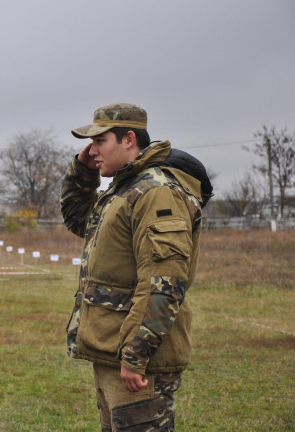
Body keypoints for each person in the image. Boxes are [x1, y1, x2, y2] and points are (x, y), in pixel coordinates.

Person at [60, 103, 213, 431]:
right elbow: (78, 220)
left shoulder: (157, 192)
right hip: (112, 352)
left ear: (129, 139)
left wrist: (135, 355)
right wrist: (83, 173)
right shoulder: (125, 188)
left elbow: (165, 282)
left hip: (138, 364)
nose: (92, 150)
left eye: (100, 141)